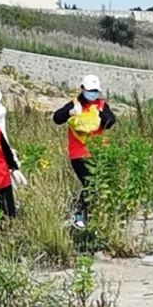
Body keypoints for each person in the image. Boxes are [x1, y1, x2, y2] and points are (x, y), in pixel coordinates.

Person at [52, 75, 116, 229]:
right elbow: (57, 118)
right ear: (82, 89)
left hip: (97, 152)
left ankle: (90, 216)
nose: (93, 94)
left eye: (95, 91)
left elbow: (111, 121)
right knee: (90, 183)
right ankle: (79, 214)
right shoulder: (74, 105)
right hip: (79, 153)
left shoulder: (101, 105)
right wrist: (71, 113)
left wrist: (99, 115)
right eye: (90, 91)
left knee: (97, 185)